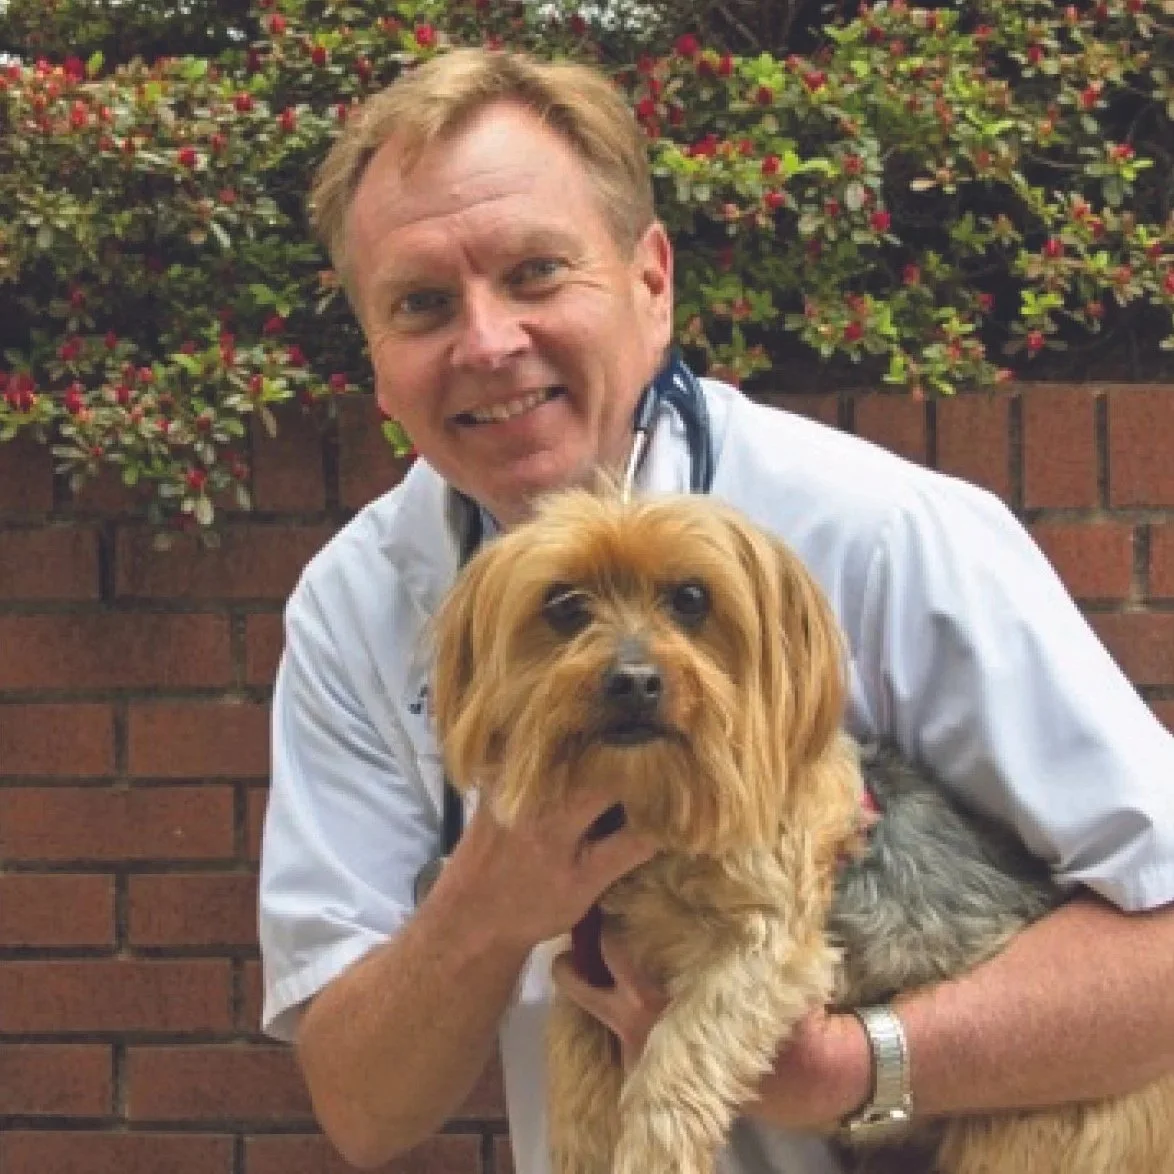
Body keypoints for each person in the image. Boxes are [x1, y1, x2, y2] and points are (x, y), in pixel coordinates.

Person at [258, 46, 1174, 1174]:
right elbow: (363, 1108)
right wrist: (490, 903)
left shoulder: (885, 533)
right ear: (375, 353)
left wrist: (850, 1066)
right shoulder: (356, 605)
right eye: (422, 303)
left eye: (536, 272)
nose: (488, 342)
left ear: (650, 281)